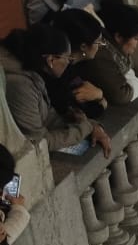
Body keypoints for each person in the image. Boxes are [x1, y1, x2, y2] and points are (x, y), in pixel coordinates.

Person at [3, 23, 112, 154]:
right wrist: (84, 129)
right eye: (68, 58)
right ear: (51, 60)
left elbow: (47, 115)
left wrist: (91, 125)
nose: (69, 62)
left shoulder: (33, 70)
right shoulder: (20, 84)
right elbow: (39, 142)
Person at [81, 2, 138, 106]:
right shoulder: (102, 53)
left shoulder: (115, 48)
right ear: (119, 37)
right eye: (136, 38)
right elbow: (120, 95)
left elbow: (127, 71)